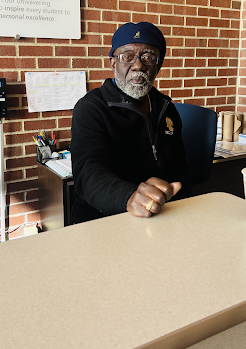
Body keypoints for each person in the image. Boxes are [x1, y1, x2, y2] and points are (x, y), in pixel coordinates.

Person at [70, 21, 191, 223]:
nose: (138, 65)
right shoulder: (91, 108)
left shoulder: (166, 108)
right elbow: (89, 172)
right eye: (127, 56)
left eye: (148, 57)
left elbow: (180, 168)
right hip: (105, 219)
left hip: (164, 215)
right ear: (113, 63)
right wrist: (128, 196)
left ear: (158, 66)